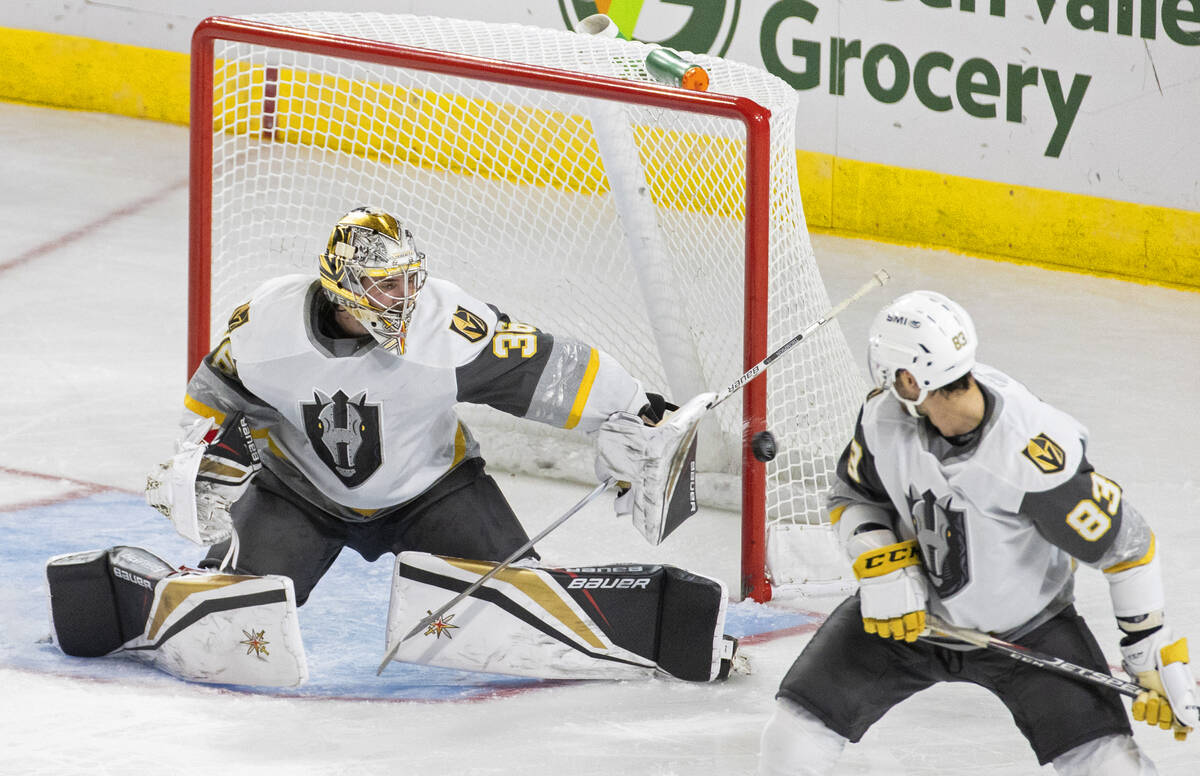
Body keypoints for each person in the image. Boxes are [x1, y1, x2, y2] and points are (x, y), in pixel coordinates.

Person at [758, 290, 1198, 775]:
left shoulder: (1029, 453)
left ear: (910, 379)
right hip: (910, 623)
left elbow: (1127, 547)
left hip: (1029, 631)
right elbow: (854, 496)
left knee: (1110, 767)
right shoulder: (884, 420)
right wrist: (882, 563)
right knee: (792, 739)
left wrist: (1148, 652)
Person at [152, 206, 675, 606]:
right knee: (234, 601)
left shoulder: (444, 328)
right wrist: (194, 465)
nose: (403, 297)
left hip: (433, 490)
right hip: (296, 491)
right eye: (384, 285)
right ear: (343, 286)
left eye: (408, 279)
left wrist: (632, 406)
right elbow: (215, 395)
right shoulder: (269, 325)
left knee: (510, 599)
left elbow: (543, 364)